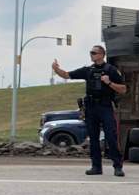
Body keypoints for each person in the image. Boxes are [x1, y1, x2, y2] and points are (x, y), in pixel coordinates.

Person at [51, 44, 127, 177]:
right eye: (91, 53)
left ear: (102, 55)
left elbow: (123, 89)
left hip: (105, 107)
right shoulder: (88, 70)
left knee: (111, 137)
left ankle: (117, 167)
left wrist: (109, 82)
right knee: (93, 138)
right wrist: (56, 69)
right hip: (91, 108)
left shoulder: (111, 70)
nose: (92, 55)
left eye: (94, 53)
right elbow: (67, 75)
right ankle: (96, 167)